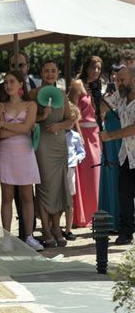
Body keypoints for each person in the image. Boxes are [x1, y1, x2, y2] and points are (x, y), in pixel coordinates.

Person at [0, 70, 42, 251]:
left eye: (12, 81)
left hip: (25, 152)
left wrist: (6, 125)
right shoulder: (0, 106)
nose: (8, 85)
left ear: (21, 84)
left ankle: (29, 236)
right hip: (6, 153)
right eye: (6, 82)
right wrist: (18, 129)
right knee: (6, 196)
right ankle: (6, 237)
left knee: (27, 196)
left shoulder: (31, 105)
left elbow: (26, 127)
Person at [29, 60, 73, 248]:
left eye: (53, 71)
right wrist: (42, 116)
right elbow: (28, 119)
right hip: (42, 144)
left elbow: (70, 120)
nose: (49, 74)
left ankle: (56, 227)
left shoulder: (62, 94)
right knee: (44, 185)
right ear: (41, 72)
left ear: (57, 73)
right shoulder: (34, 94)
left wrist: (59, 126)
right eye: (46, 71)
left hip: (59, 144)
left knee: (59, 187)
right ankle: (45, 229)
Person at [100, 66, 135, 245]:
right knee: (124, 195)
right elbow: (103, 105)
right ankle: (127, 231)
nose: (118, 84)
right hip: (126, 155)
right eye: (117, 80)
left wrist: (111, 135)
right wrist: (97, 99)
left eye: (122, 80)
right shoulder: (120, 97)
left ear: (133, 80)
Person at [68, 56, 103, 227]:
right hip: (82, 132)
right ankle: (81, 216)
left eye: (98, 68)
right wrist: (79, 135)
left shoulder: (97, 86)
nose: (96, 71)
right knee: (82, 175)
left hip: (96, 133)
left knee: (95, 174)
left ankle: (94, 213)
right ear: (86, 67)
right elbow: (72, 111)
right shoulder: (77, 84)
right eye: (93, 67)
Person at [99, 63, 124, 231]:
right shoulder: (106, 97)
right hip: (109, 140)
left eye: (119, 76)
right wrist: (106, 98)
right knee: (111, 179)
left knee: (124, 180)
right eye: (113, 75)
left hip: (125, 141)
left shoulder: (129, 95)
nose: (115, 78)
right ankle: (111, 221)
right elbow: (99, 115)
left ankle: (125, 219)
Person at [64, 102, 85, 241]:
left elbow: (82, 152)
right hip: (56, 168)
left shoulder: (75, 136)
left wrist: (77, 159)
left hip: (70, 168)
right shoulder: (57, 134)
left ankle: (68, 229)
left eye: (73, 122)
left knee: (69, 200)